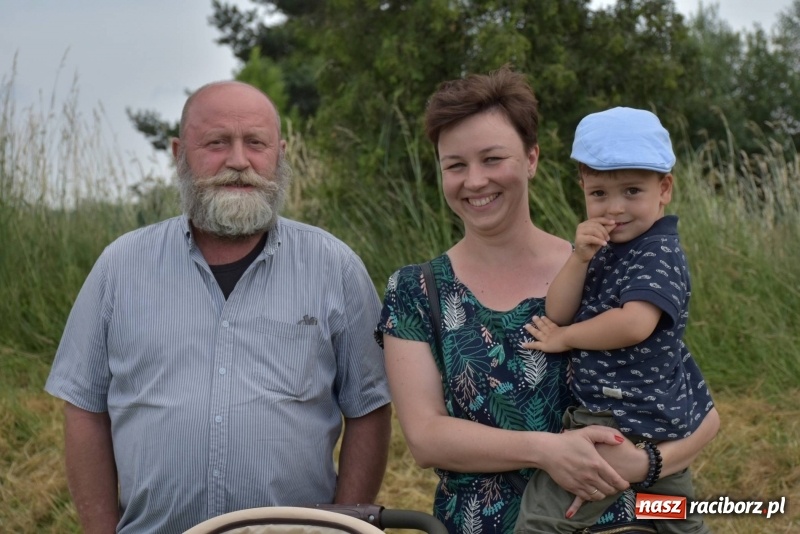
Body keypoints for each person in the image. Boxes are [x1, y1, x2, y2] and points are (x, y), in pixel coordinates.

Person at [376, 67, 720, 534]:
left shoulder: (600, 269)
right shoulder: (415, 292)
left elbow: (701, 413)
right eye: (455, 165)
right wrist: (547, 449)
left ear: (532, 158)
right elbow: (426, 439)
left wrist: (646, 465)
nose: (475, 181)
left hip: (626, 519)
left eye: (493, 159)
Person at [45, 80, 392, 534]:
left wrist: (342, 527)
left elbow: (368, 408)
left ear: (279, 153)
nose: (238, 161)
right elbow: (85, 409)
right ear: (177, 152)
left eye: (256, 143)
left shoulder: (334, 266)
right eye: (216, 143)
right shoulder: (120, 267)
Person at [515, 107, 715, 533]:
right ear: (583, 188)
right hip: (651, 418)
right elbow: (557, 310)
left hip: (617, 418)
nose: (615, 208)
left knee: (542, 520)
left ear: (664, 189)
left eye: (631, 191)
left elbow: (634, 323)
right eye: (600, 194)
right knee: (671, 518)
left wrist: (567, 338)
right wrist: (580, 256)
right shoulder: (608, 247)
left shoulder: (656, 252)